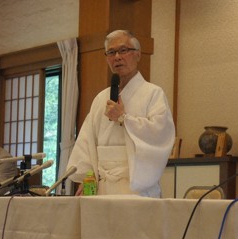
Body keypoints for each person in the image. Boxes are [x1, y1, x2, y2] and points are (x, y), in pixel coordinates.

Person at [67, 30, 175, 197]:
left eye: (123, 50)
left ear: (138, 55)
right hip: (102, 186)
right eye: (111, 52)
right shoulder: (100, 98)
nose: (117, 57)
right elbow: (87, 141)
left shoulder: (153, 93)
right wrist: (85, 177)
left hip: (136, 185)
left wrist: (124, 119)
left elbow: (160, 134)